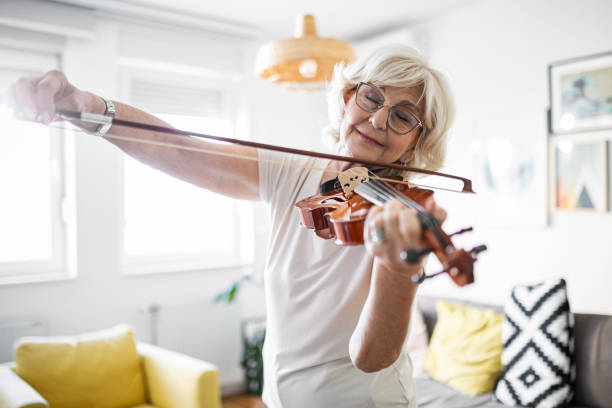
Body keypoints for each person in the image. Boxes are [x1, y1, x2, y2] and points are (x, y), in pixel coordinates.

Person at [9, 44, 455, 407]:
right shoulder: (292, 172)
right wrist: (87, 108)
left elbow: (372, 356)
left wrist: (399, 267)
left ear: (416, 143)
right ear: (346, 100)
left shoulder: (405, 218)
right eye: (372, 97)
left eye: (403, 116)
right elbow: (182, 151)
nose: (379, 119)